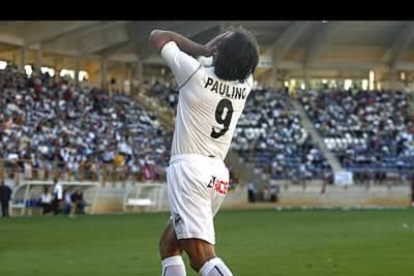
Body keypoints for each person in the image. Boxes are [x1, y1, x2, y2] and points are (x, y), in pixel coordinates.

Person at [150, 26, 259, 276]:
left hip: (189, 170)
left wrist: (201, 48)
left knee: (202, 258)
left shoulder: (194, 73)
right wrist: (225, 46)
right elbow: (244, 62)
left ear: (219, 52)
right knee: (169, 245)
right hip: (216, 174)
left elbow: (158, 35)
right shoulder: (245, 85)